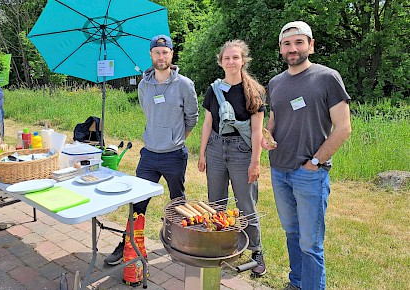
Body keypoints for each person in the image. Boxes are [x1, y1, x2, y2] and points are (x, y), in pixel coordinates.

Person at [263, 21, 352, 290]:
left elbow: (344, 127)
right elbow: (275, 117)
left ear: (310, 45)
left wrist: (315, 162)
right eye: (287, 44)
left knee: (310, 243)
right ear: (280, 49)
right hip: (279, 171)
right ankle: (296, 283)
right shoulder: (275, 82)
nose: (293, 48)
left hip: (309, 174)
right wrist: (267, 135)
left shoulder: (327, 78)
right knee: (291, 233)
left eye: (299, 42)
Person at [104, 35, 199, 266]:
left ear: (172, 54)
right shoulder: (144, 85)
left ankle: (180, 242)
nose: (161, 56)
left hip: (174, 155)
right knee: (138, 201)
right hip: (148, 155)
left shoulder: (184, 84)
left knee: (177, 201)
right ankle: (127, 243)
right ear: (150, 55)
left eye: (165, 52)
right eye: (157, 52)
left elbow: (192, 117)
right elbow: (148, 112)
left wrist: (176, 139)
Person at [198, 39, 267, 277]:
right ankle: (220, 247)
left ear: (243, 61)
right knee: (216, 202)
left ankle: (256, 251)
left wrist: (255, 162)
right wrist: (202, 153)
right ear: (221, 62)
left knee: (245, 204)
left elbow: (257, 130)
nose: (231, 61)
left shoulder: (253, 91)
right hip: (216, 149)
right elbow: (208, 123)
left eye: (235, 57)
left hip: (241, 152)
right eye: (226, 58)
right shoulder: (213, 90)